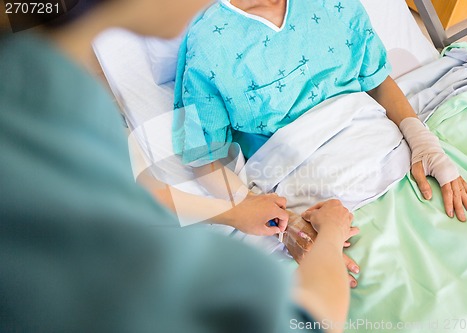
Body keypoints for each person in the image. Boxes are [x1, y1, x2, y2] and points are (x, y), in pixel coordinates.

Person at [0, 0, 357, 332]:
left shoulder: (47, 86)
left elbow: (140, 197)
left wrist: (233, 210)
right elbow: (310, 320)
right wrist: (330, 232)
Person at [173, 0, 467, 223]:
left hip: (391, 153)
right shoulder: (211, 44)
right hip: (311, 196)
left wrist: (422, 140)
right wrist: (268, 216)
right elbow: (204, 158)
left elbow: (377, 80)